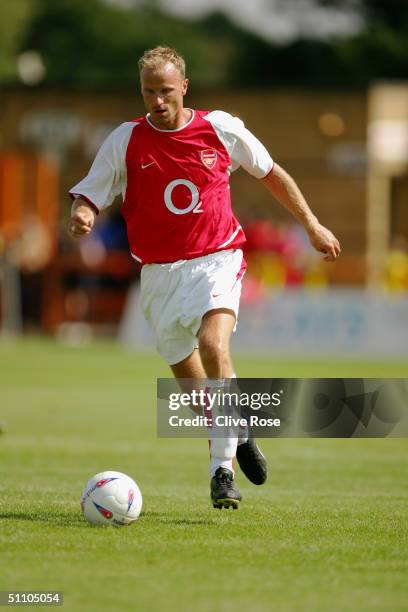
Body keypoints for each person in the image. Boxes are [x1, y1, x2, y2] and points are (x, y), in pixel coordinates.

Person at [69, 46, 341, 509]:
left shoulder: (220, 128)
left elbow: (272, 174)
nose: (157, 101)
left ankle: (220, 472)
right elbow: (92, 192)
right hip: (158, 276)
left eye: (166, 91)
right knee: (199, 399)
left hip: (217, 258)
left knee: (215, 346)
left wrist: (311, 225)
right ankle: (241, 429)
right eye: (149, 92)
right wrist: (82, 212)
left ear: (185, 87)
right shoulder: (125, 140)